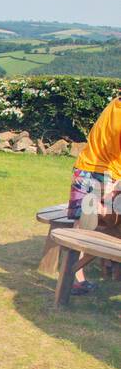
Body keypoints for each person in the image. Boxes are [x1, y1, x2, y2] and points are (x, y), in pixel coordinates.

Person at [66, 95, 121, 293]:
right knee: (106, 219)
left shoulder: (115, 103)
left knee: (83, 223)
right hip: (109, 174)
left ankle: (73, 277)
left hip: (85, 167)